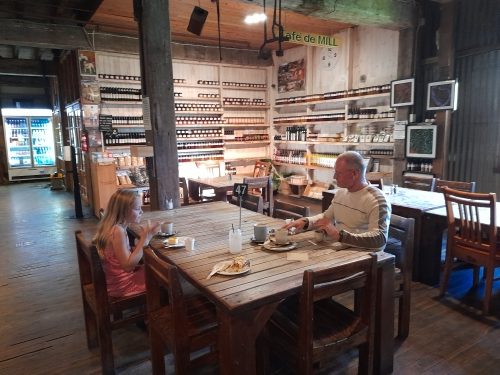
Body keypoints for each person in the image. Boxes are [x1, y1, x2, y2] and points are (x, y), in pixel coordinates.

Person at [285, 151, 391, 251]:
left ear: (355, 174)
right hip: (340, 249)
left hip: (362, 256)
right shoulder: (341, 193)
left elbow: (380, 240)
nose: (334, 177)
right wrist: (305, 222)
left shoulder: (376, 200)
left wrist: (339, 235)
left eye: (338, 173)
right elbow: (326, 217)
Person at [93, 189, 159, 297]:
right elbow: (128, 266)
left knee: (155, 269)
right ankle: (157, 308)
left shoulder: (114, 227)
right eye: (137, 208)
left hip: (113, 280)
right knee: (161, 275)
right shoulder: (117, 231)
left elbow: (123, 257)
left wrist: (139, 244)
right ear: (123, 211)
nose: (141, 212)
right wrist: (145, 239)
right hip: (122, 285)